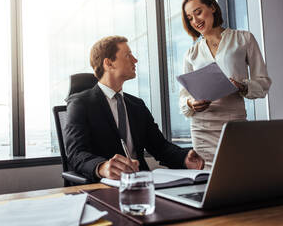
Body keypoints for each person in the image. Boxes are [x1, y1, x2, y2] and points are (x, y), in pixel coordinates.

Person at [64, 36, 205, 182]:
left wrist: (184, 158)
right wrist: (102, 167)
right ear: (109, 63)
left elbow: (160, 147)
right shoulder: (80, 104)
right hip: (104, 186)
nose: (135, 60)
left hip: (141, 183)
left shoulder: (136, 105)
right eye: (128, 55)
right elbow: (76, 153)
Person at [179, 0, 272, 170]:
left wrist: (242, 86)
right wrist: (191, 103)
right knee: (206, 180)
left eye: (198, 12)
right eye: (190, 17)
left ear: (212, 7)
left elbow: (263, 82)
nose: (195, 20)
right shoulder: (191, 53)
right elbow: (184, 96)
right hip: (202, 127)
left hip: (234, 123)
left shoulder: (243, 39)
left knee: (239, 173)